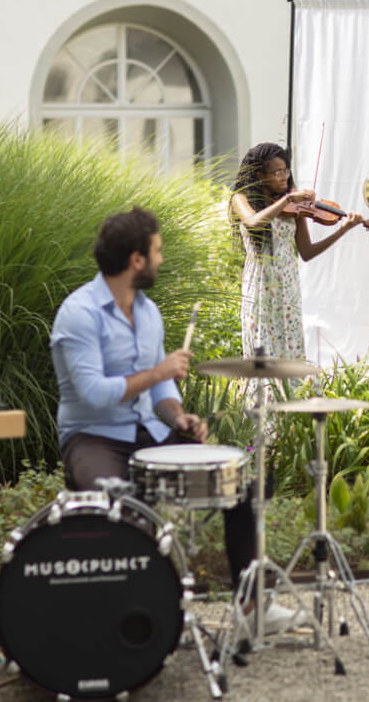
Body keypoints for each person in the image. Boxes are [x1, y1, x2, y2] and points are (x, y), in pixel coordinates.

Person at [50, 206, 299, 630]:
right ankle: (131, 621)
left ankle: (252, 608)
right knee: (121, 505)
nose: (161, 259)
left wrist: (179, 416)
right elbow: (94, 394)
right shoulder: (79, 313)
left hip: (148, 431)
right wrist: (159, 372)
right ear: (136, 260)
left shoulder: (147, 312)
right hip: (93, 437)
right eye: (157, 251)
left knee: (241, 484)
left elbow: (160, 391)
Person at [230, 142, 363, 366]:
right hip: (260, 285)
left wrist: (343, 230)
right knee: (262, 349)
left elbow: (307, 252)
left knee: (289, 348)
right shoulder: (241, 199)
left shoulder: (295, 208)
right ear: (259, 175)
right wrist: (288, 199)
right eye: (277, 173)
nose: (284, 177)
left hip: (287, 285)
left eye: (286, 171)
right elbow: (254, 222)